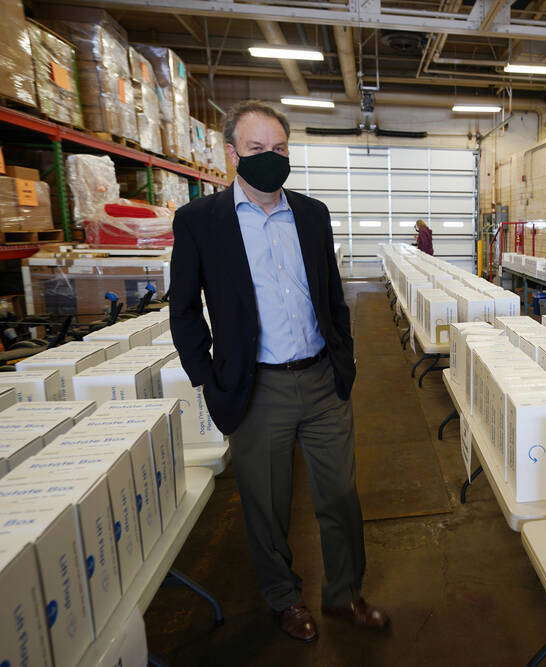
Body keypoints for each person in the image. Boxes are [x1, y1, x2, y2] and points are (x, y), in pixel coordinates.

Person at [169, 100, 388, 643]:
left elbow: (332, 293)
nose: (270, 157)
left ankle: (344, 594)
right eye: (256, 148)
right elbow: (184, 309)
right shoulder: (200, 221)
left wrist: (344, 359)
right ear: (232, 154)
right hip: (256, 386)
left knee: (340, 495)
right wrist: (207, 379)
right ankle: (284, 599)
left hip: (321, 380)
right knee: (266, 504)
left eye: (280, 147)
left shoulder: (312, 214)